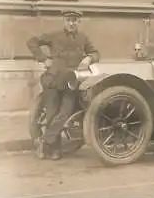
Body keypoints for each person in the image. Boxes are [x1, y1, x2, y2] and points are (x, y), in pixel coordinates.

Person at [27, 10, 100, 160]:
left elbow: (95, 52)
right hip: (53, 80)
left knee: (64, 114)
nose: (71, 23)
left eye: (74, 20)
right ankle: (54, 150)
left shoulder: (83, 38)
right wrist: (43, 58)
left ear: (79, 22)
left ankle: (44, 143)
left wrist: (89, 58)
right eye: (68, 20)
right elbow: (32, 42)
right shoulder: (54, 36)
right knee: (51, 113)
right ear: (64, 21)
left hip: (71, 82)